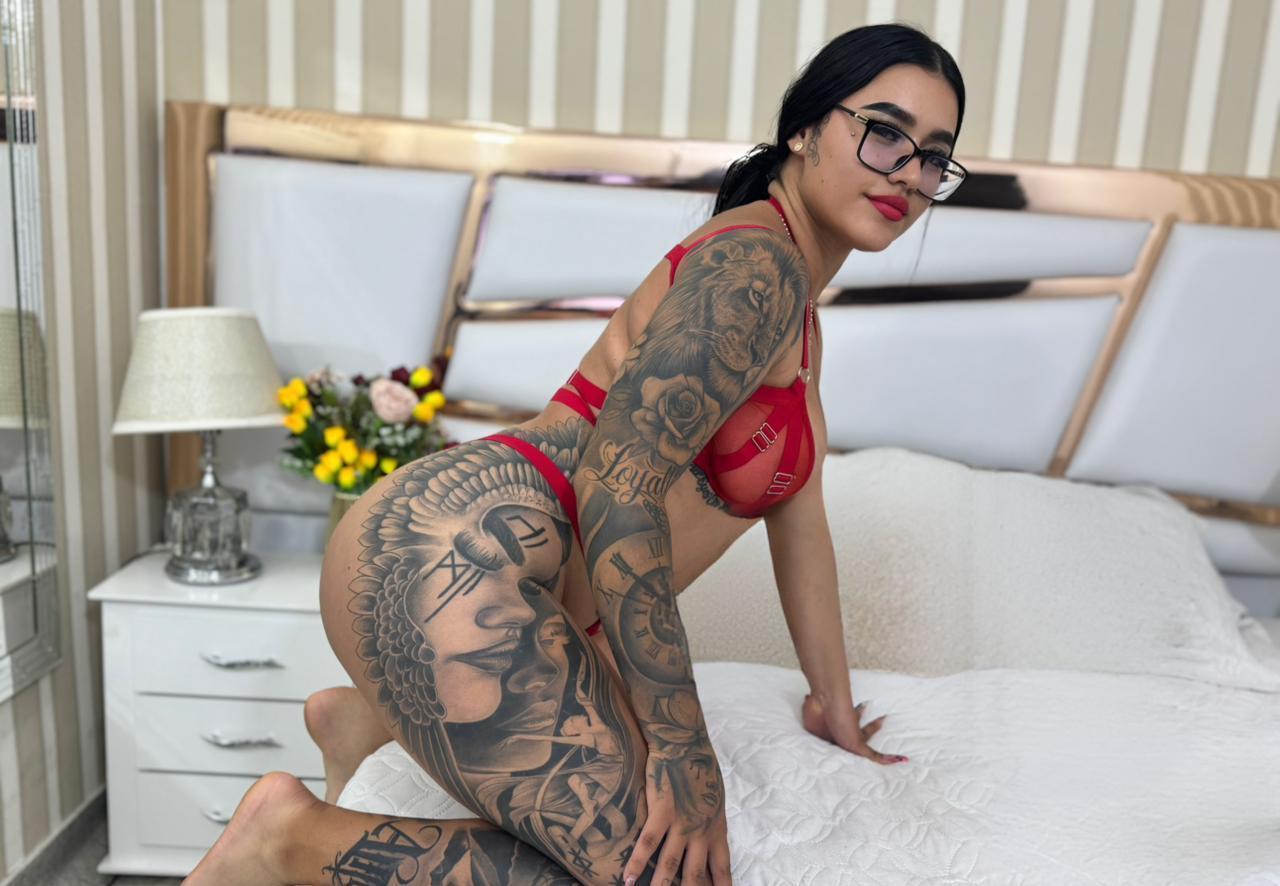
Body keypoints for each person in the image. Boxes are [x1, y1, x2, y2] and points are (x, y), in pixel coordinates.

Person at [185, 21, 966, 886]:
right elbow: (617, 486)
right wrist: (683, 747)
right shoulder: (757, 266)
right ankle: (286, 840)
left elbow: (801, 519)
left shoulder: (797, 311)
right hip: (456, 564)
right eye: (885, 132)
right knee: (657, 875)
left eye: (935, 156)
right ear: (806, 129)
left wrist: (833, 707)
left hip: (492, 578)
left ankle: (361, 726)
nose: (909, 172)